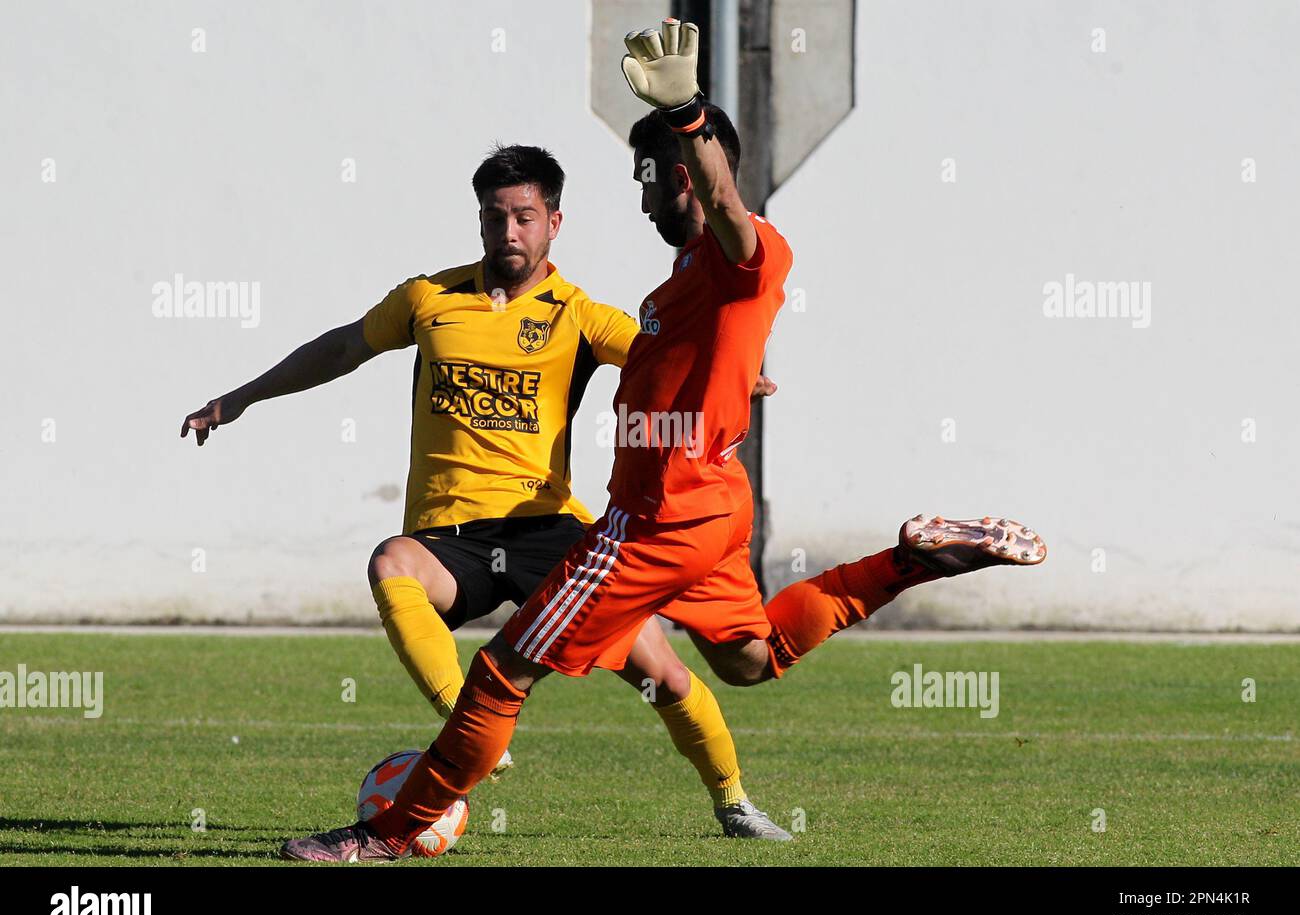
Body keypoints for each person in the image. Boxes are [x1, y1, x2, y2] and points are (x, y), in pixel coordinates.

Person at [280, 18, 1044, 863]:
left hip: (653, 519)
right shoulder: (675, 285)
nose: (642, 202)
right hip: (709, 503)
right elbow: (686, 355)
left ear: (682, 173)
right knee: (752, 659)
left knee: (501, 674)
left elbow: (726, 206)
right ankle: (908, 561)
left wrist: (687, 111)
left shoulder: (745, 254)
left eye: (649, 183)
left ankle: (383, 837)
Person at [183, 142, 790, 841]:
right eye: (495, 216)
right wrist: (241, 398)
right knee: (391, 562)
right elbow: (343, 347)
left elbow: (672, 352)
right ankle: (473, 730)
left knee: (663, 673)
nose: (509, 232)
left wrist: (739, 375)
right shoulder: (428, 300)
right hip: (452, 538)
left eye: (525, 217)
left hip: (549, 530)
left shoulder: (582, 317)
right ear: (478, 222)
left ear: (554, 223)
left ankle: (734, 801)